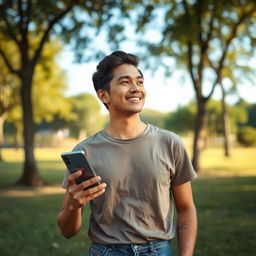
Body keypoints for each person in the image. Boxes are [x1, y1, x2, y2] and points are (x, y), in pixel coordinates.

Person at [57, 51, 197, 256]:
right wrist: (73, 205)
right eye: (125, 82)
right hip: (105, 251)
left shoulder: (170, 143)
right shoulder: (84, 151)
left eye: (139, 82)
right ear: (103, 95)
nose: (136, 88)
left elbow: (186, 208)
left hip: (158, 250)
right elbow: (67, 231)